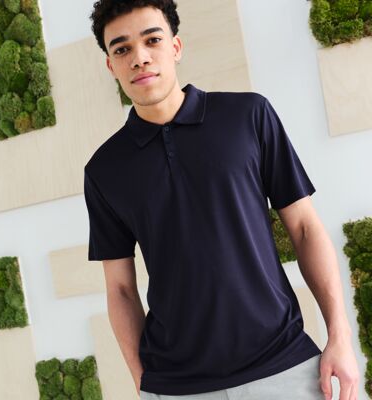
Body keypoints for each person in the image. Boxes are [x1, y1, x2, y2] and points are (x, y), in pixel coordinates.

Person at [84, 1, 360, 399]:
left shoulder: (248, 115)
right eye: (122, 48)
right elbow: (121, 289)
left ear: (175, 47)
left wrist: (339, 335)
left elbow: (303, 228)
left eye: (152, 40)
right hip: (177, 386)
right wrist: (142, 384)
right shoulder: (105, 169)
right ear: (111, 65)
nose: (139, 58)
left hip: (285, 365)